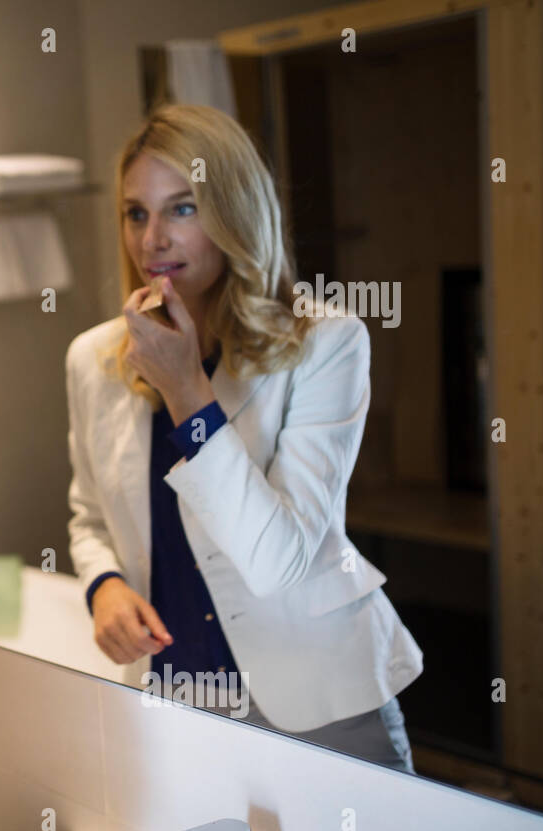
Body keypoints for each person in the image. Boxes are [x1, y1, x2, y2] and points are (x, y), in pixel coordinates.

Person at [65, 104, 422, 772]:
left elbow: (277, 559)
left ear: (232, 210)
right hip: (178, 699)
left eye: (182, 208)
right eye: (136, 213)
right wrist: (104, 585)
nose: (151, 241)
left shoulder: (324, 345)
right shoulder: (94, 359)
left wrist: (187, 396)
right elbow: (89, 517)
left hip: (320, 698)